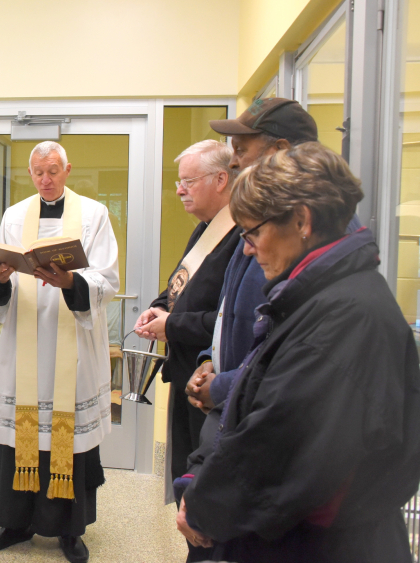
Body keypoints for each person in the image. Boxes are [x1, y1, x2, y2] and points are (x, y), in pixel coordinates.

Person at [178, 142, 420, 562]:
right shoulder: (319, 294)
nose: (248, 250)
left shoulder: (345, 316)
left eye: (253, 233)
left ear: (302, 221)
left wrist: (203, 507)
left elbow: (277, 443)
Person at [0, 141, 119, 563]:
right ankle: (13, 522)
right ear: (30, 172)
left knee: (69, 438)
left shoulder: (94, 213)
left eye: (53, 170)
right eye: (38, 172)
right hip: (23, 339)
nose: (46, 179)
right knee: (18, 435)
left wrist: (70, 283)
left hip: (70, 344)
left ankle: (69, 531)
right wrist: (0, 276)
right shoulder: (15, 215)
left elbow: (107, 278)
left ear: (68, 169)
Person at [185, 98, 326, 414]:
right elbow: (229, 310)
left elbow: (285, 361)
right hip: (231, 401)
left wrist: (221, 387)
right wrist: (208, 358)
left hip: (255, 409)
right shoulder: (257, 219)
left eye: (241, 151)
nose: (233, 163)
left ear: (279, 152)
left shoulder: (299, 239)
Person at [133, 140, 240, 510]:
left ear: (222, 179)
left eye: (188, 181)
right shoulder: (205, 228)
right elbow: (182, 284)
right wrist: (157, 308)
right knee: (186, 482)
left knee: (202, 488)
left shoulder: (241, 237)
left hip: (210, 382)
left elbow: (229, 319)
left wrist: (172, 325)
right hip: (184, 373)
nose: (179, 190)